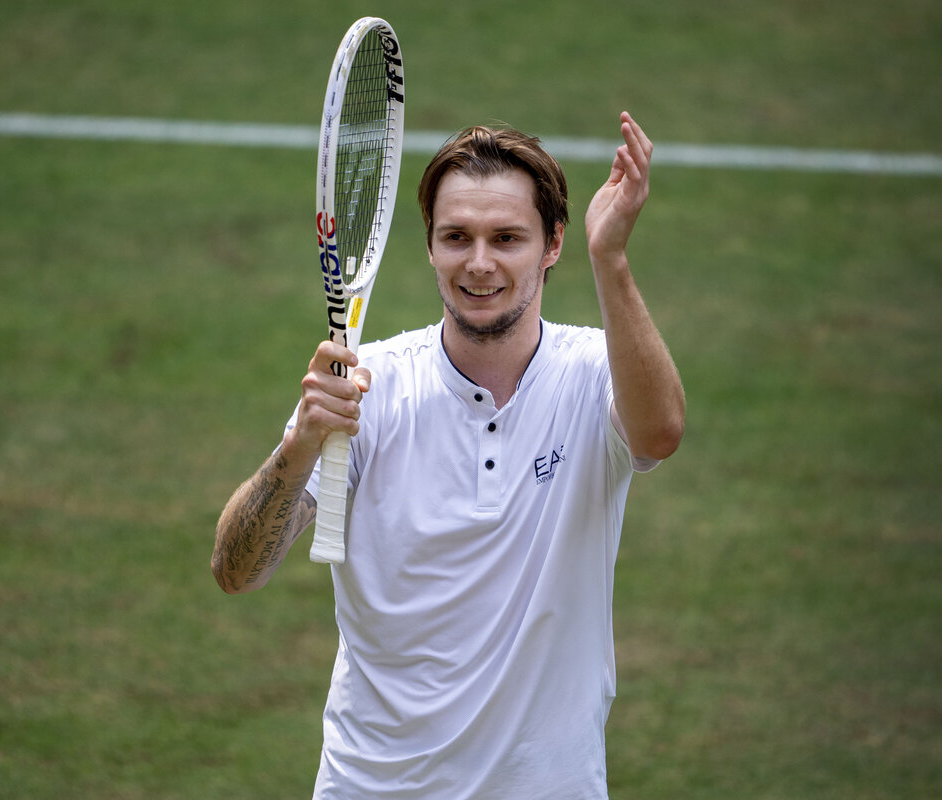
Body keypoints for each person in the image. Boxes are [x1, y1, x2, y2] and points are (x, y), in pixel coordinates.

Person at [211, 112, 685, 799]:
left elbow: (659, 432)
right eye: (456, 237)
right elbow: (236, 572)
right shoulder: (367, 387)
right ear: (431, 248)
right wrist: (298, 447)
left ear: (552, 245)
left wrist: (610, 258)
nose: (480, 262)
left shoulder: (592, 374)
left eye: (507, 238)